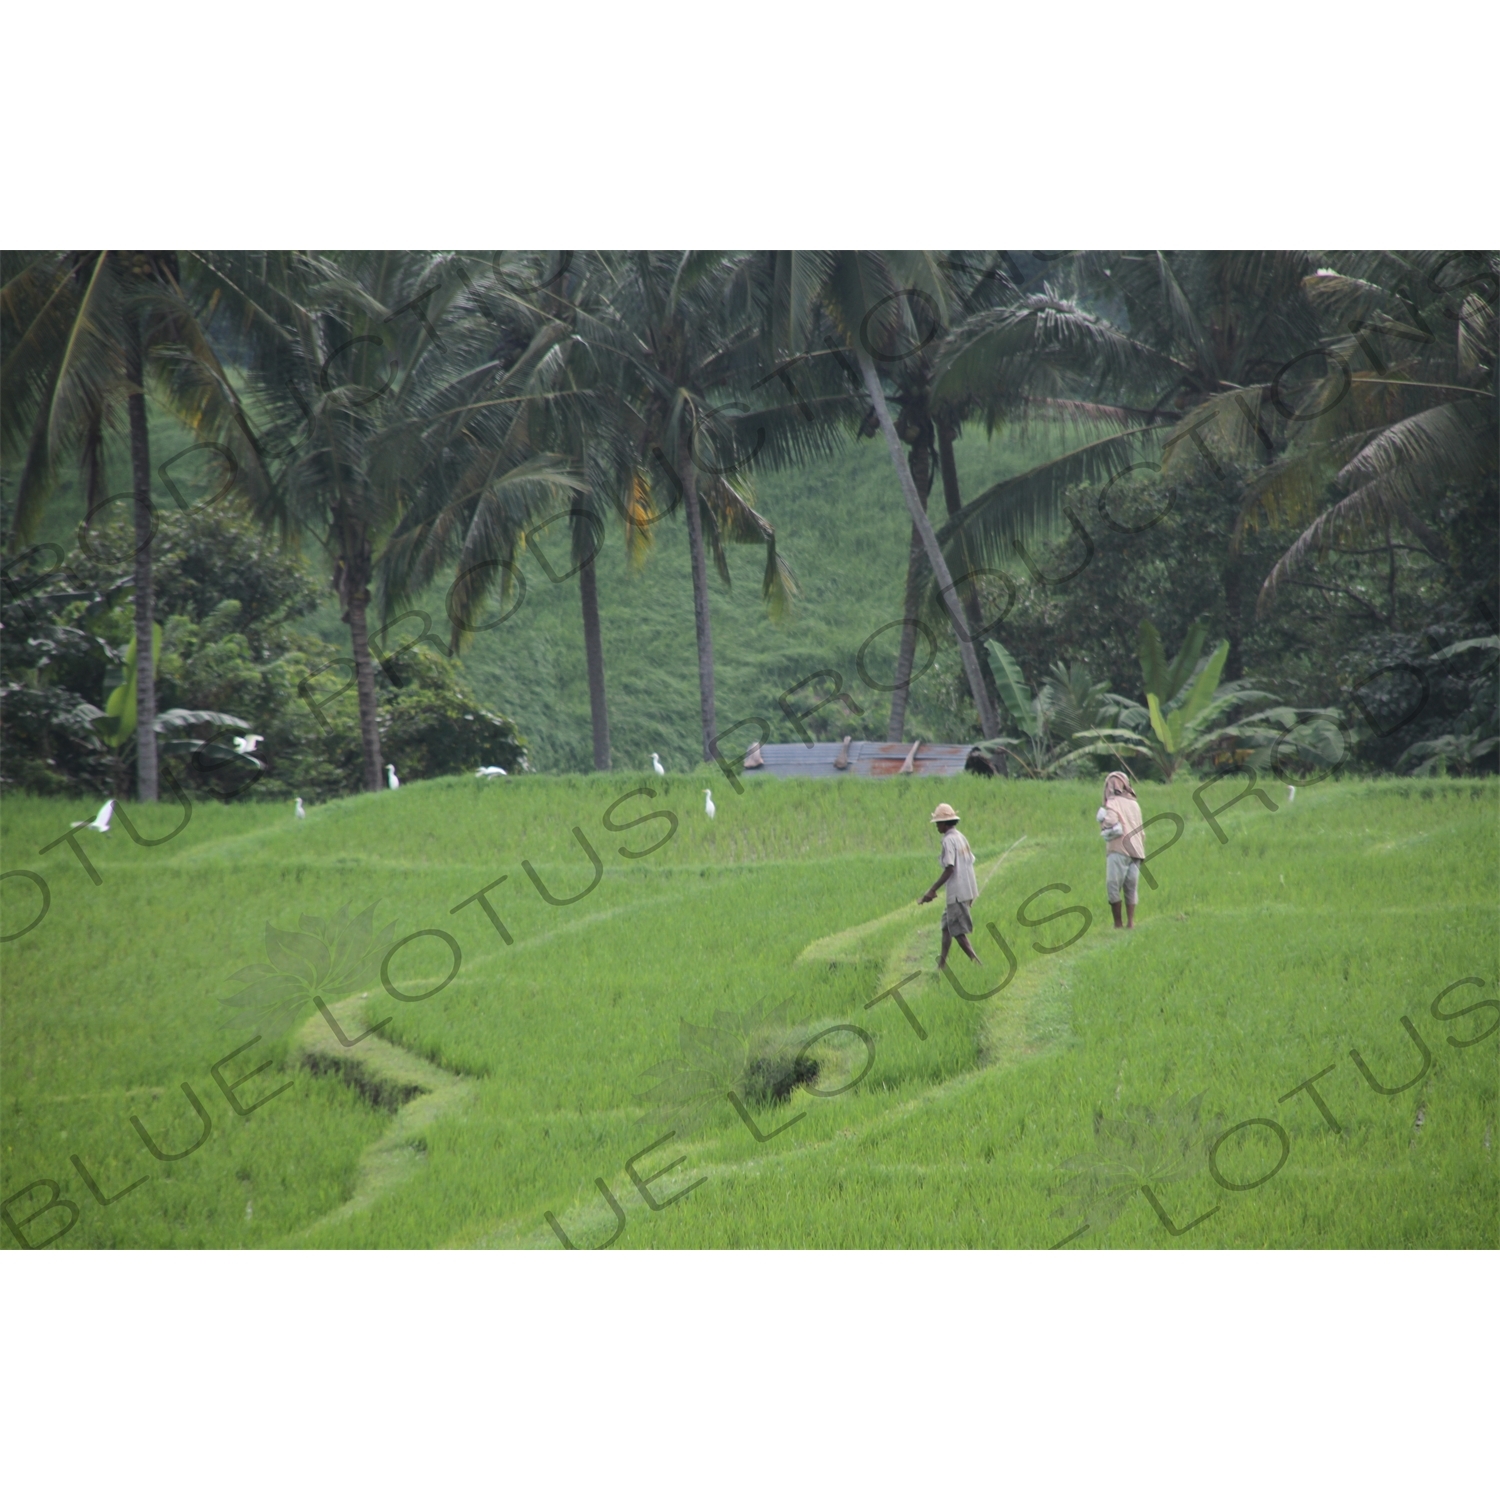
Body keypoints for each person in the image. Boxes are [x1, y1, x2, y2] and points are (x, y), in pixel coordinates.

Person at [918, 802, 981, 969]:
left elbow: (950, 868)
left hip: (957, 892)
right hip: (967, 888)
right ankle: (942, 965)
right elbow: (970, 861)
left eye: (938, 823)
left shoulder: (948, 841)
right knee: (946, 927)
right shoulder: (960, 837)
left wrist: (932, 890)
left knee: (958, 931)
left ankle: (977, 964)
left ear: (946, 823)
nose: (937, 826)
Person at [1097, 770, 1146, 929]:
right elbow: (1141, 831)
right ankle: (1131, 923)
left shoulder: (1113, 802)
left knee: (1113, 886)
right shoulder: (1134, 803)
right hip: (1137, 850)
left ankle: (1118, 923)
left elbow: (1111, 821)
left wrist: (1102, 822)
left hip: (1119, 849)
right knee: (1131, 887)